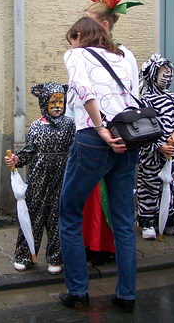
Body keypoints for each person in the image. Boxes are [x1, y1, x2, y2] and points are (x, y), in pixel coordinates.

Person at [58, 17, 139, 312]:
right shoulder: (121, 56)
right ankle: (127, 295)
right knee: (123, 221)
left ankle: (78, 291)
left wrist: (100, 126)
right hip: (128, 138)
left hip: (95, 138)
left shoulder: (76, 53)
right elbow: (134, 96)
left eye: (71, 39)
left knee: (69, 213)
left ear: (78, 35)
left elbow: (82, 88)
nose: (71, 45)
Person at [79, 0, 141, 262]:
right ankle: (96, 245)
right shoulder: (93, 52)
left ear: (104, 24)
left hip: (103, 134)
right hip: (118, 134)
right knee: (100, 197)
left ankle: (104, 247)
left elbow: (131, 95)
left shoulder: (117, 55)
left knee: (110, 197)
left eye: (89, 20)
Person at [4, 83, 75, 274]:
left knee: (56, 219)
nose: (58, 105)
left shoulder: (69, 125)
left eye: (61, 101)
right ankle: (25, 255)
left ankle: (55, 257)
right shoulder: (35, 127)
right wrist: (16, 160)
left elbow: (74, 150)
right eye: (53, 101)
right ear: (44, 103)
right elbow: (29, 152)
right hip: (38, 180)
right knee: (32, 216)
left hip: (60, 179)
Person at [137, 54, 174, 240]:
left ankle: (170, 220)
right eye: (163, 73)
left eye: (170, 74)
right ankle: (147, 221)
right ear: (153, 74)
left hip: (171, 154)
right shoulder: (145, 100)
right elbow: (142, 127)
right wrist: (158, 145)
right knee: (149, 186)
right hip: (151, 155)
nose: (167, 77)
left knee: (171, 187)